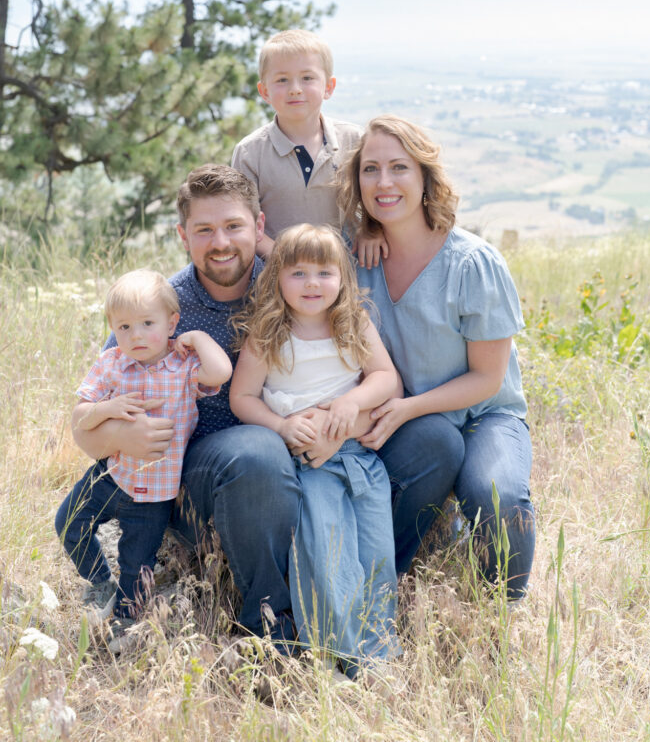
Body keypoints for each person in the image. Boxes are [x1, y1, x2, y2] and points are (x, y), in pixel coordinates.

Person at [70, 163, 461, 649]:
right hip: (214, 472)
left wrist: (345, 419)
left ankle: (362, 586)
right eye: (204, 230)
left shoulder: (297, 279)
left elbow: (379, 377)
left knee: (436, 441)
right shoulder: (158, 308)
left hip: (326, 444)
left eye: (233, 226)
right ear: (182, 235)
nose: (221, 242)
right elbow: (85, 422)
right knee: (258, 451)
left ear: (257, 227)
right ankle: (272, 624)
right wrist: (116, 436)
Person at [338, 115, 536, 600]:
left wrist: (408, 407)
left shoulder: (473, 262)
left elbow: (488, 379)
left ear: (426, 177)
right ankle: (376, 588)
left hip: (481, 416)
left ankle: (502, 609)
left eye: (400, 168)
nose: (383, 182)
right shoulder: (350, 261)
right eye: (370, 169)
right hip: (405, 424)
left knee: (498, 496)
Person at [230, 224, 401, 676]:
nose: (312, 284)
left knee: (376, 553)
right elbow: (242, 398)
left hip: (359, 460)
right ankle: (337, 656)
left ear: (343, 277)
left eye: (324, 273)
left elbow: (387, 379)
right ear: (276, 278)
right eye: (298, 273)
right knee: (327, 556)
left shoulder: (352, 323)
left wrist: (352, 401)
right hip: (308, 464)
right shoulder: (268, 332)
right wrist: (282, 426)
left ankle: (379, 652)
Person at [55, 269, 232, 639]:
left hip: (155, 491)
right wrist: (108, 408)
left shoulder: (183, 366)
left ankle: (124, 623)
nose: (135, 336)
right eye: (123, 327)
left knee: (137, 565)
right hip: (111, 474)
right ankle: (100, 582)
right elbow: (81, 415)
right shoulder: (112, 363)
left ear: (172, 323)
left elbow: (221, 372)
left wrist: (198, 338)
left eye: (147, 324)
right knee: (69, 523)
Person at [231, 28, 385, 266]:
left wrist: (372, 229)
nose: (295, 88)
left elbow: (376, 198)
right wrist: (289, 262)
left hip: (347, 273)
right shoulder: (250, 152)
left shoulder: (354, 140)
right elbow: (243, 224)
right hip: (278, 277)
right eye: (282, 80)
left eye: (307, 78)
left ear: (329, 87)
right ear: (264, 91)